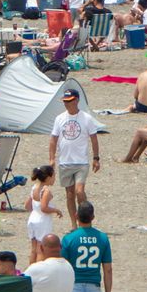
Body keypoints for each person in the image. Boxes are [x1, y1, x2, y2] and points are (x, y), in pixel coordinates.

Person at [61, 200, 112, 292]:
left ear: (76, 216)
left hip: (74, 287)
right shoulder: (102, 238)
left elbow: (63, 266)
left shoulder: (69, 239)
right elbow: (107, 269)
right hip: (93, 289)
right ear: (93, 217)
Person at [49, 87, 101, 224]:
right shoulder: (59, 118)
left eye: (69, 101)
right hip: (65, 161)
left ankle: (86, 218)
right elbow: (53, 139)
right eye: (65, 101)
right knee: (70, 195)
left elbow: (94, 139)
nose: (67, 104)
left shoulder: (86, 118)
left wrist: (96, 158)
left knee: (79, 191)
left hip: (81, 162)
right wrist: (51, 158)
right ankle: (74, 223)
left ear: (77, 100)